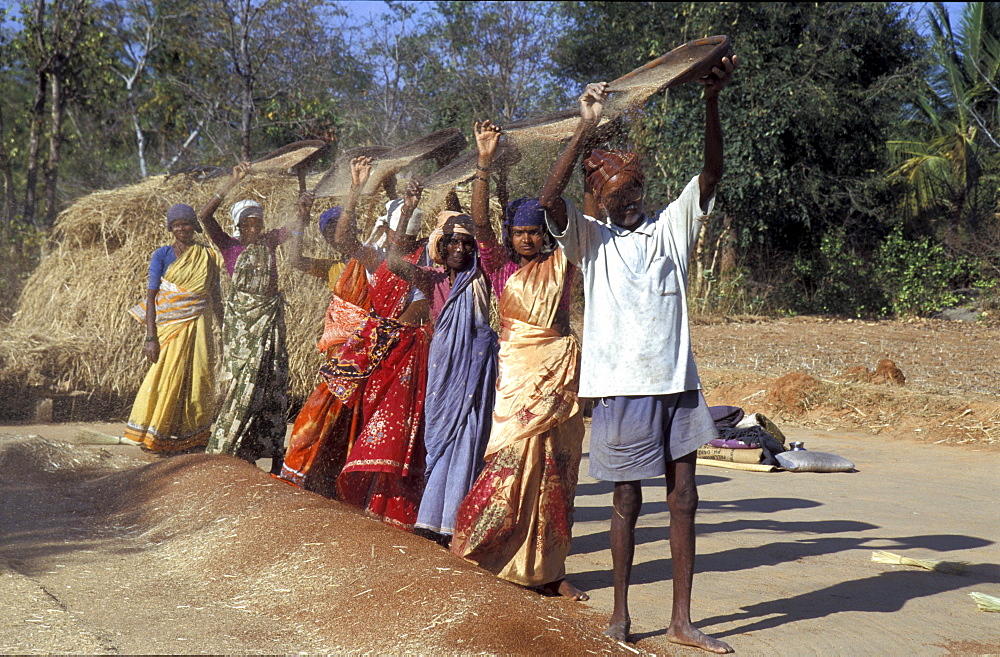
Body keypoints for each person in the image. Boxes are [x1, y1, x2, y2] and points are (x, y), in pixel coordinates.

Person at [538, 53, 738, 653]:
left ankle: (681, 620)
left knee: (684, 497)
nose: (630, 201)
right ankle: (621, 615)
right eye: (617, 192)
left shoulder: (670, 228)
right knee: (625, 498)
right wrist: (584, 125)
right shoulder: (590, 240)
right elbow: (549, 199)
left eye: (635, 190)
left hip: (676, 381)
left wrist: (710, 99)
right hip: (622, 387)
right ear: (597, 197)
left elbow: (711, 176)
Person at [450, 121, 587, 601]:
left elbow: (560, 201)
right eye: (520, 232)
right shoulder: (500, 264)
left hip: (558, 377)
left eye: (534, 232)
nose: (527, 240)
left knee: (558, 471)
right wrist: (484, 163)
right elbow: (481, 224)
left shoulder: (565, 262)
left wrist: (581, 136)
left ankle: (550, 569)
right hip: (518, 380)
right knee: (509, 464)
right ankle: (482, 551)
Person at [320, 157, 433, 530]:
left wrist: (411, 209)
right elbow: (343, 239)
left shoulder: (431, 261)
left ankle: (404, 509)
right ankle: (373, 500)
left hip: (415, 352)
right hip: (384, 351)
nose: (403, 236)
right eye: (400, 228)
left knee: (411, 433)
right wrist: (355, 190)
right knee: (379, 425)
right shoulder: (378, 259)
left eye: (408, 231)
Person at [387, 186, 499, 546]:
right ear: (441, 247)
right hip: (443, 372)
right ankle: (430, 520)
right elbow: (392, 261)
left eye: (467, 244)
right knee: (439, 440)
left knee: (466, 437)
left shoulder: (481, 278)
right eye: (453, 242)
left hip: (473, 371)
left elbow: (486, 237)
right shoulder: (431, 280)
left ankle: (450, 521)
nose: (461, 249)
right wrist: (408, 211)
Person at [277, 196, 371, 495]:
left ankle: (342, 476)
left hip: (365, 348)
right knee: (327, 406)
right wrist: (300, 223)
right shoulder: (332, 267)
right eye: (329, 232)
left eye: (341, 229)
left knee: (354, 412)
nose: (336, 237)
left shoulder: (372, 260)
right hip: (338, 350)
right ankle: (312, 468)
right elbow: (295, 260)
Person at [203, 163, 292, 475]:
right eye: (248, 224)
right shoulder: (229, 246)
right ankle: (234, 448)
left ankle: (273, 454)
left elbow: (296, 227)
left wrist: (304, 207)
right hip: (243, 328)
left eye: (258, 223)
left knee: (272, 381)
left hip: (269, 323)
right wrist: (231, 181)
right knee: (242, 384)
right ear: (238, 226)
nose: (254, 228)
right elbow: (205, 217)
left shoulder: (270, 242)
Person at [125, 203, 223, 453]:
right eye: (177, 225)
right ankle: (156, 433)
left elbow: (215, 295)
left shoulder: (209, 256)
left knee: (197, 378)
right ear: (171, 228)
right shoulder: (162, 255)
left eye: (186, 224)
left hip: (199, 326)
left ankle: (191, 438)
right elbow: (151, 297)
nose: (182, 228)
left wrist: (224, 327)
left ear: (194, 227)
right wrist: (150, 337)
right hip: (168, 327)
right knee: (164, 377)